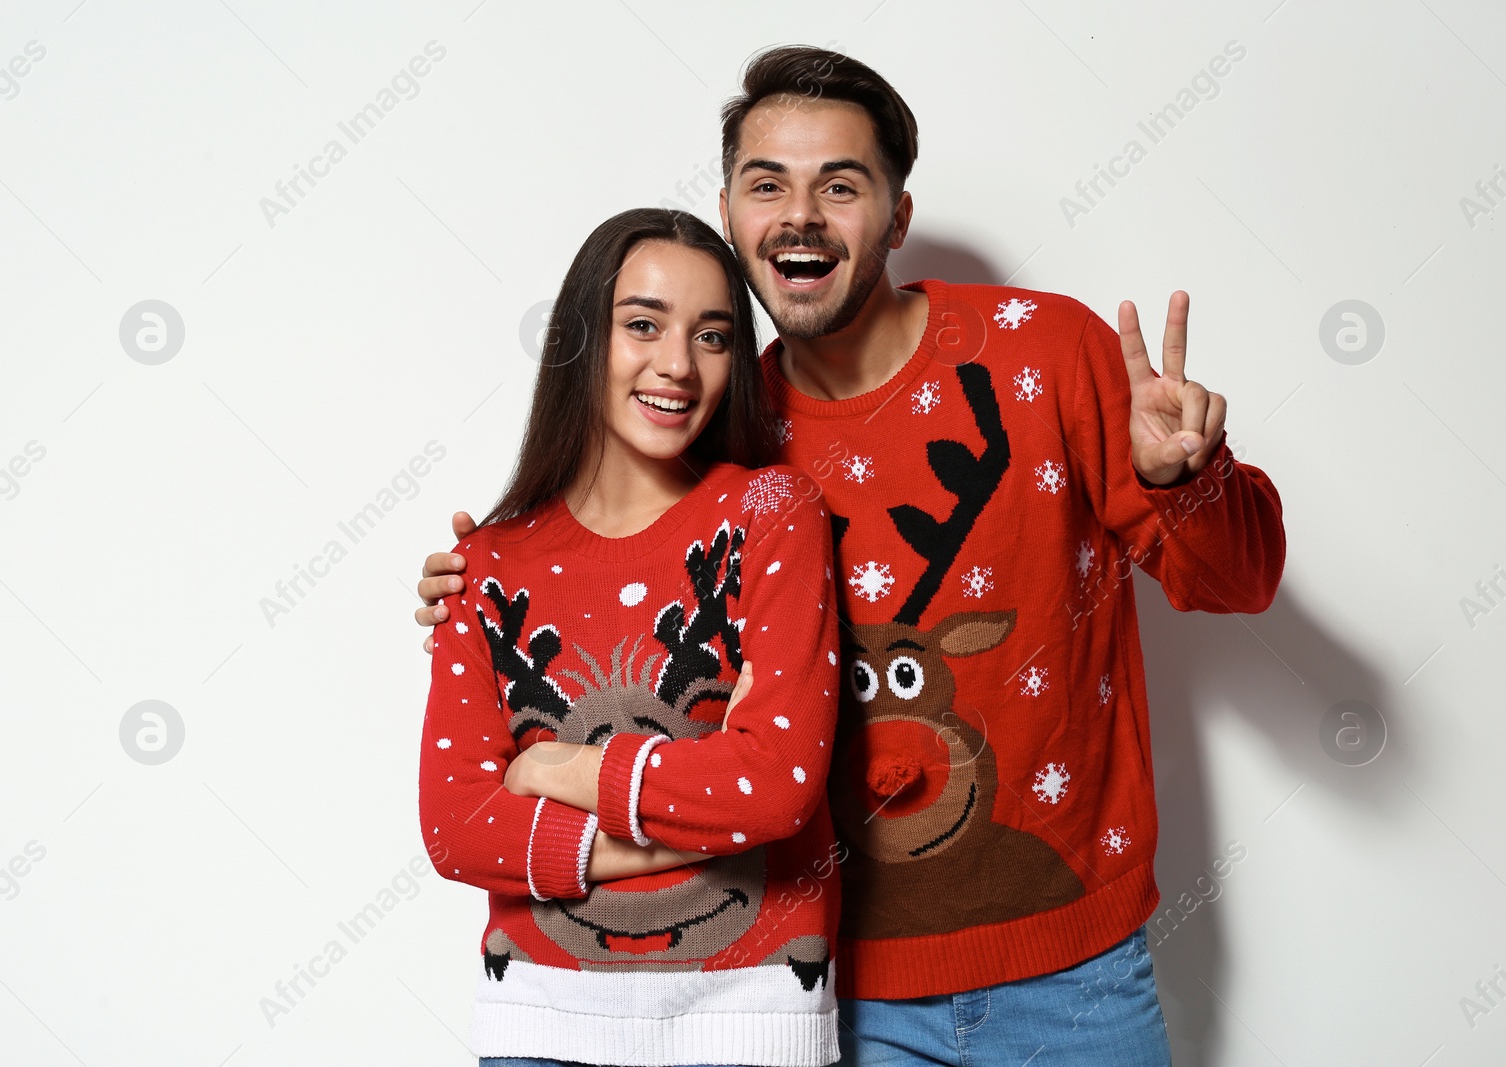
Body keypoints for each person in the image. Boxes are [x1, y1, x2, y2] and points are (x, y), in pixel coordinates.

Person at [417, 49, 1287, 1066]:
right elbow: (598, 594)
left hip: (1074, 971)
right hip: (831, 988)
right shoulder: (715, 438)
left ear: (897, 217)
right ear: (731, 215)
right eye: (767, 185)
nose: (801, 215)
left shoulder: (1047, 352)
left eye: (840, 184)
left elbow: (1238, 581)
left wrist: (1188, 478)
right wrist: (476, 585)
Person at [419, 206, 844, 1067]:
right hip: (541, 1023)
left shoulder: (771, 514)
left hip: (749, 1018)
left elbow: (774, 785)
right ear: (581, 339)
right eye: (642, 324)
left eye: (714, 336)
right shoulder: (485, 563)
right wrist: (686, 814)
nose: (678, 365)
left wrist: (561, 772)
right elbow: (458, 826)